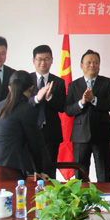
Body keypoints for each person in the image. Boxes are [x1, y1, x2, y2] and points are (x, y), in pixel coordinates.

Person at [0, 70, 49, 181]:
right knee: (11, 193)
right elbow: (34, 143)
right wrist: (39, 170)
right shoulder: (27, 109)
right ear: (32, 88)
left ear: (9, 88)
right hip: (4, 163)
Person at [65, 49, 110, 182]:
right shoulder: (73, 85)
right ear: (81, 65)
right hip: (80, 135)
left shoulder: (108, 82)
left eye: (96, 62)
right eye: (89, 62)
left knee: (103, 173)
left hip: (102, 134)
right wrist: (82, 103)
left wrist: (94, 99)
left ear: (99, 65)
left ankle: (104, 195)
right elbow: (68, 110)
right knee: (80, 175)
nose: (92, 65)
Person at [30, 45, 66, 179]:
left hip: (51, 132)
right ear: (34, 61)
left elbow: (62, 107)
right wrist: (37, 98)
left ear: (52, 60)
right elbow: (22, 103)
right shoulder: (27, 80)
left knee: (50, 169)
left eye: (46, 59)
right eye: (39, 59)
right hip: (30, 130)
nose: (43, 63)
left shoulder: (58, 82)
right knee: (31, 169)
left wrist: (49, 97)